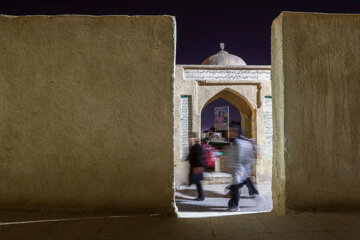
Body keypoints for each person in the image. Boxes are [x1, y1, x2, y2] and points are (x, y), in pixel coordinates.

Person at [186, 132, 205, 201]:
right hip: (196, 166)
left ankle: (201, 196)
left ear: (194, 138)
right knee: (197, 181)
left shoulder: (197, 146)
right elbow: (192, 155)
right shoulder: (194, 146)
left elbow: (199, 157)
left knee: (197, 181)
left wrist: (197, 167)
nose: (189, 139)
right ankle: (201, 196)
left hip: (198, 167)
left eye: (190, 137)